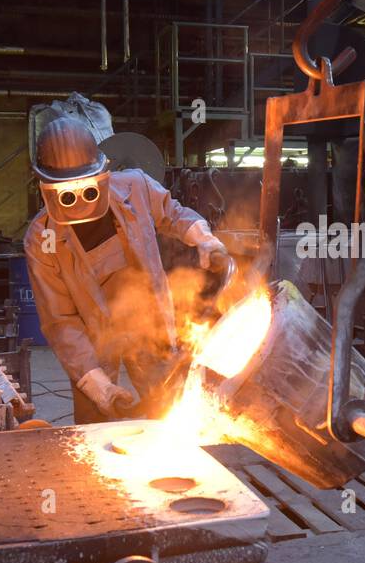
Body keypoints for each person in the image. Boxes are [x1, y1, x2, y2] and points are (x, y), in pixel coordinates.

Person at [23, 116, 228, 423]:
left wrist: (204, 238)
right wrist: (97, 383)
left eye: (88, 190)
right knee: (95, 421)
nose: (78, 201)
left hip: (148, 321)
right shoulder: (43, 238)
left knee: (167, 408)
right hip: (91, 336)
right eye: (66, 193)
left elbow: (173, 214)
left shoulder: (135, 188)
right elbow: (60, 320)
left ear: (103, 173)